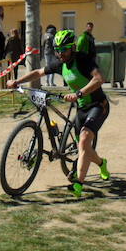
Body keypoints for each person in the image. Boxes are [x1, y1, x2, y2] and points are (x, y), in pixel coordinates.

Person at [7, 29, 110, 197]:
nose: (60, 54)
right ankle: (101, 163)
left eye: (64, 50)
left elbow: (99, 79)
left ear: (72, 48)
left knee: (83, 140)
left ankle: (78, 184)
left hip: (98, 106)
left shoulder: (83, 61)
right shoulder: (59, 63)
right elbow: (38, 72)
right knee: (83, 145)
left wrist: (78, 94)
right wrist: (17, 81)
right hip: (81, 108)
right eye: (57, 50)